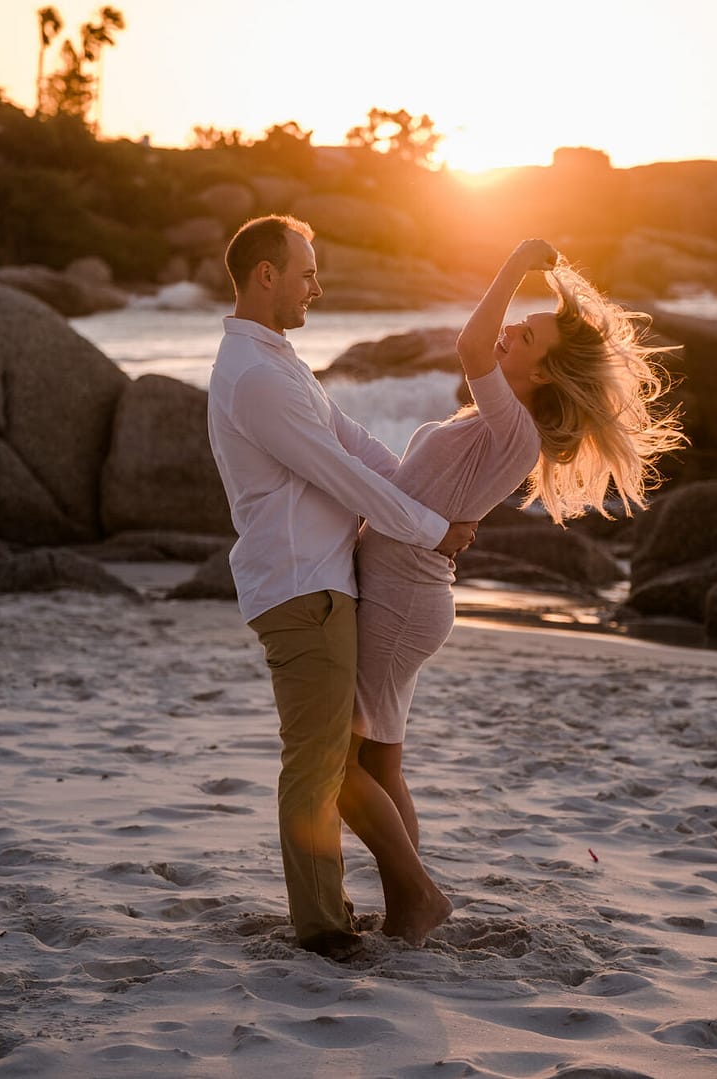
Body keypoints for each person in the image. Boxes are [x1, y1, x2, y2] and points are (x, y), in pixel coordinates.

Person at [337, 237, 686, 945]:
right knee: (379, 763)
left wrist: (516, 261)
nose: (507, 332)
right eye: (518, 324)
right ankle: (409, 907)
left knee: (335, 764)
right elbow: (415, 481)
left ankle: (418, 896)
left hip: (402, 602)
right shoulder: (494, 423)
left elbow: (469, 346)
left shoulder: (514, 430)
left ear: (545, 368)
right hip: (409, 594)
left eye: (524, 334)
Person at [207, 214, 478, 961]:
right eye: (306, 272)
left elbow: (355, 442)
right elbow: (340, 475)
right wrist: (429, 526)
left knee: (333, 757)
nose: (316, 287)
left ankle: (361, 905)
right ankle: (325, 926)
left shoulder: (277, 361)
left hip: (324, 581)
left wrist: (427, 493)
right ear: (266, 274)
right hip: (301, 588)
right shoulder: (256, 376)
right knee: (318, 759)